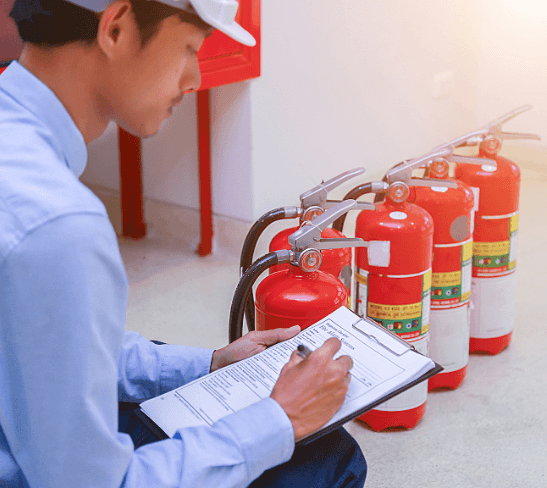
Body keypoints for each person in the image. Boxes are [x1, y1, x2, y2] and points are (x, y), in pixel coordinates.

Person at [0, 0, 367, 486]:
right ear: (115, 29)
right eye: (189, 48)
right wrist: (282, 418)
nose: (194, 79)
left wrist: (208, 365)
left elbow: (38, 343)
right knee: (327, 457)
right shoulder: (61, 226)